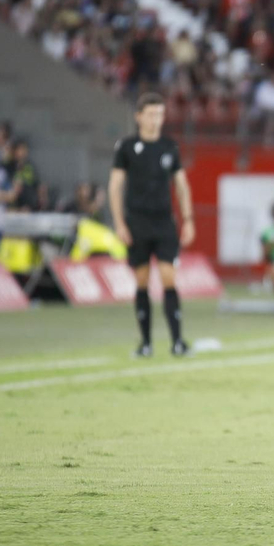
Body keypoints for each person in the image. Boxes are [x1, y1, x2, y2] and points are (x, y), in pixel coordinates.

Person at [109, 92, 195, 357]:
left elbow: (181, 186)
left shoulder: (170, 147)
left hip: (164, 222)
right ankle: (145, 344)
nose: (155, 119)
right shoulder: (125, 147)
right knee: (142, 281)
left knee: (169, 277)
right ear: (138, 117)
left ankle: (178, 341)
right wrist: (119, 223)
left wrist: (188, 220)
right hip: (137, 222)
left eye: (159, 114)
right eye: (150, 114)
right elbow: (115, 186)